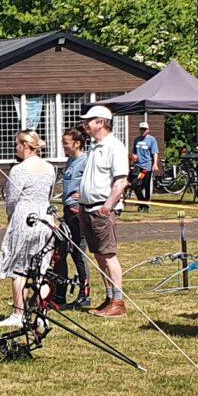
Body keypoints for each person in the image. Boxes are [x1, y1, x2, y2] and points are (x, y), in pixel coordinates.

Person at [70, 105, 131, 316]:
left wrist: (107, 207)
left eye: (90, 120)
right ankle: (109, 296)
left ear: (102, 122)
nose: (85, 124)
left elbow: (121, 181)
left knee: (109, 255)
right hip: (88, 208)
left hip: (101, 209)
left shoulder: (115, 147)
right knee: (98, 255)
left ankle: (118, 301)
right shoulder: (94, 147)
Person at [0, 130, 57, 331]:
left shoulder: (19, 169)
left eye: (17, 144)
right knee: (41, 267)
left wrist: (11, 217)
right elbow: (50, 193)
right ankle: (41, 314)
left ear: (24, 145)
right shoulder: (49, 168)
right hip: (45, 217)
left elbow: (12, 198)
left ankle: (19, 313)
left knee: (19, 267)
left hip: (25, 216)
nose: (15, 148)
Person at [132, 124, 161, 213]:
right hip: (138, 166)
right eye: (141, 129)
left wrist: (155, 164)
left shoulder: (152, 139)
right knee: (135, 184)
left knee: (146, 185)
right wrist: (134, 156)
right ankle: (142, 203)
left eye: (144, 129)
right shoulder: (136, 139)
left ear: (148, 130)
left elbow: (155, 152)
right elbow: (134, 152)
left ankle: (145, 205)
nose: (142, 131)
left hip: (146, 167)